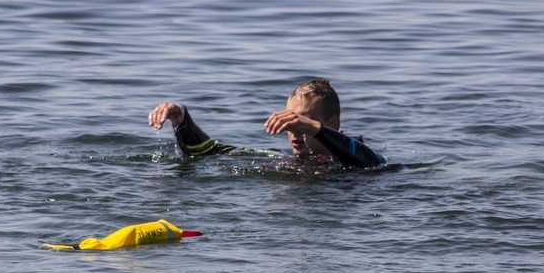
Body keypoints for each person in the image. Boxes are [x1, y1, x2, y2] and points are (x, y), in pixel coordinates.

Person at [148, 79, 386, 168]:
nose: (293, 130)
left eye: (301, 121)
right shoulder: (283, 160)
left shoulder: (355, 158)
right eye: (289, 120)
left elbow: (373, 163)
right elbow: (209, 152)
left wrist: (315, 130)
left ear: (333, 124)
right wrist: (181, 119)